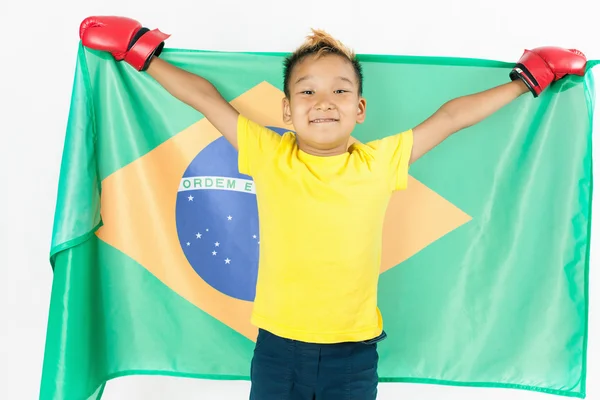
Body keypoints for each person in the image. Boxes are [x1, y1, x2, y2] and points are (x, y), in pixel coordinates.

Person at [78, 16, 587, 400]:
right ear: (286, 111)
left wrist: (527, 79)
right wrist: (141, 51)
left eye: (341, 90)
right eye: (308, 91)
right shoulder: (269, 153)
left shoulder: (379, 161)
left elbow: (451, 117)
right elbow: (206, 99)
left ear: (360, 110)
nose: (324, 101)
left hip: (353, 358)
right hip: (277, 351)